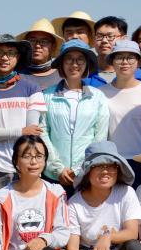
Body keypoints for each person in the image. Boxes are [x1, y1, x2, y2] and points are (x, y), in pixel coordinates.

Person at [0, 34, 45, 200]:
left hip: (25, 167)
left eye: (11, 53)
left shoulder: (31, 88)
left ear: (17, 57)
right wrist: (20, 131)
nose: (5, 58)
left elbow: (32, 132)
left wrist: (6, 132)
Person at [42, 40, 109, 193]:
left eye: (80, 59)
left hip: (86, 173)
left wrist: (80, 169)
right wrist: (58, 169)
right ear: (61, 63)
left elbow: (100, 137)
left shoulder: (98, 96)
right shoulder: (47, 95)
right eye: (69, 59)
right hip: (53, 175)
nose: (74, 64)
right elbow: (43, 132)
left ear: (87, 64)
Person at [101, 39, 141, 187]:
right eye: (119, 57)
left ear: (138, 62)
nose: (124, 62)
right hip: (111, 162)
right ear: (112, 61)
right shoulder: (101, 92)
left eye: (130, 57)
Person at [87, 16, 141, 87]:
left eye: (110, 36)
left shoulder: (137, 75)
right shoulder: (84, 72)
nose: (104, 41)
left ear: (124, 39)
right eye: (99, 36)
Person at [17, 18, 63, 90]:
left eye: (44, 41)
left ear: (53, 46)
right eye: (33, 40)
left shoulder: (63, 74)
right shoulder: (15, 74)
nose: (37, 45)